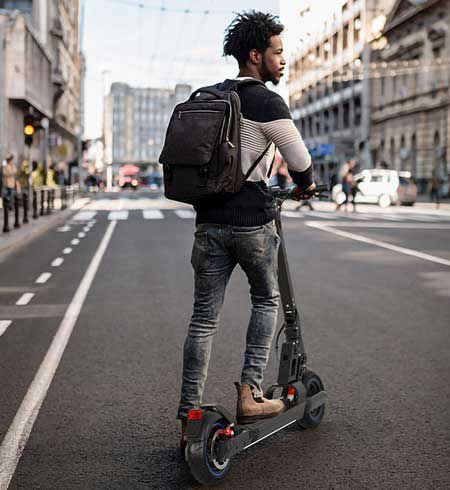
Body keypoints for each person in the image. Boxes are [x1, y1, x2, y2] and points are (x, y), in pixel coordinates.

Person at [177, 11, 315, 450]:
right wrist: (306, 186)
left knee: (203, 320)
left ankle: (188, 413)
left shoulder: (212, 95)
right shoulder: (267, 103)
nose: (283, 61)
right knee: (266, 300)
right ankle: (251, 392)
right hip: (251, 224)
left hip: (208, 224)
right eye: (277, 53)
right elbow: (300, 161)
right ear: (255, 55)